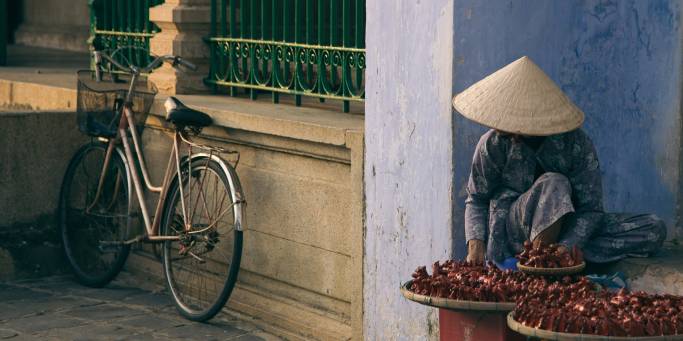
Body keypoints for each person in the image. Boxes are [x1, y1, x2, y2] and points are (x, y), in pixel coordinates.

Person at [452, 56, 666, 265]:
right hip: (512, 232)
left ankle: (554, 257)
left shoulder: (575, 143)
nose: (512, 132)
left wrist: (568, 245)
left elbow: (591, 209)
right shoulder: (493, 143)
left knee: (653, 229)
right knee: (555, 182)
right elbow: (477, 199)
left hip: (566, 225)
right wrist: (475, 245)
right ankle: (538, 265)